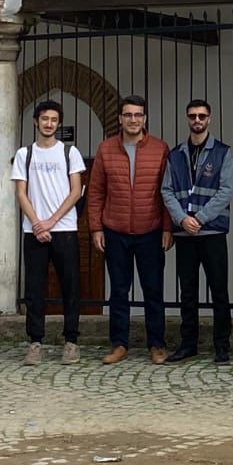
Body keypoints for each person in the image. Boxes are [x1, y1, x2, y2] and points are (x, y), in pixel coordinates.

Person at [87, 95, 171, 366]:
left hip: (150, 230)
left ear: (144, 118)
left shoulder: (160, 148)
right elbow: (96, 192)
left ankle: (157, 344)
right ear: (120, 119)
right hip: (115, 230)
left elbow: (166, 192)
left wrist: (167, 228)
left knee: (153, 291)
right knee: (119, 291)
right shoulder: (106, 149)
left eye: (138, 115)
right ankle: (119, 344)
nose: (133, 120)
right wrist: (96, 227)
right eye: (128, 115)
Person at [11, 99, 85, 367]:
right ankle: (35, 342)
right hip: (34, 231)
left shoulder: (69, 152)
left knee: (70, 287)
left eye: (53, 119)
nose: (49, 124)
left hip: (64, 229)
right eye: (44, 119)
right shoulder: (25, 154)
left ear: (58, 123)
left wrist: (51, 221)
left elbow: (75, 191)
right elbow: (21, 192)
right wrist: (37, 223)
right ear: (36, 122)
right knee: (34, 288)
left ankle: (71, 341)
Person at [160, 99, 233, 364]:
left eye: (202, 116)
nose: (197, 120)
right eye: (192, 116)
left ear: (209, 118)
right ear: (187, 119)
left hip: (212, 232)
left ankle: (222, 346)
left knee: (219, 292)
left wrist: (199, 219)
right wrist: (182, 219)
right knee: (188, 293)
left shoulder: (223, 152)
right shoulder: (175, 155)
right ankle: (188, 345)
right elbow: (166, 190)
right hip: (185, 235)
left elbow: (226, 191)